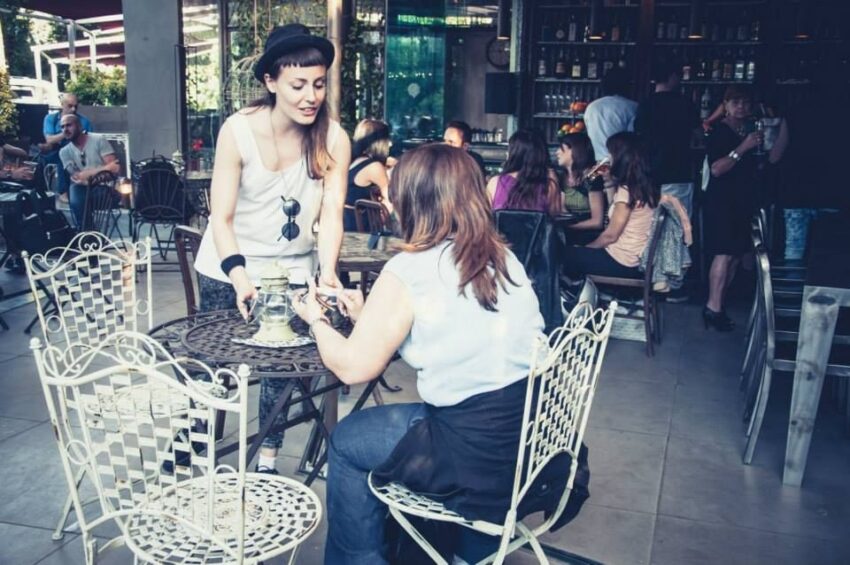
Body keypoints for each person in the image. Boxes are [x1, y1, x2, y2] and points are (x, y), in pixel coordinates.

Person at [291, 143, 547, 564]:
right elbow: (454, 334)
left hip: (471, 452)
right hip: (529, 435)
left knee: (348, 440)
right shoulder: (502, 257)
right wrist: (367, 315)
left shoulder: (410, 269)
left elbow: (353, 367)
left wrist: (316, 319)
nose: (390, 202)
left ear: (414, 201)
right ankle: (465, 547)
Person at [193, 23, 350, 473]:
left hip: (293, 271)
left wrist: (327, 272)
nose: (310, 96)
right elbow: (221, 218)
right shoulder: (238, 130)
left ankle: (266, 460)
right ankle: (194, 440)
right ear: (271, 82)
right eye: (298, 85)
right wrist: (240, 277)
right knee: (214, 363)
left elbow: (332, 214)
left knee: (282, 372)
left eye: (318, 84)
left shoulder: (334, 138)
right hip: (228, 266)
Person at [702, 85, 787, 331]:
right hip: (722, 201)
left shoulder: (750, 128)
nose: (741, 107)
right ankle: (712, 307)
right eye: (736, 102)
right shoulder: (719, 131)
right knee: (724, 253)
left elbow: (769, 158)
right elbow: (717, 169)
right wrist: (743, 148)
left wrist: (778, 129)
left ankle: (718, 304)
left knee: (736, 255)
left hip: (742, 200)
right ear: (726, 106)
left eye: (745, 102)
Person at [562, 131, 659, 279]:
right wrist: (608, 182)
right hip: (633, 257)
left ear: (622, 158)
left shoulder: (627, 191)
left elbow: (610, 236)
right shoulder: (642, 187)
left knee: (561, 254)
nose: (608, 158)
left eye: (611, 154)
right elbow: (612, 216)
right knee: (576, 246)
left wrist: (586, 249)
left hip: (623, 261)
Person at [634, 58, 700, 217]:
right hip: (679, 171)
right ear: (672, 76)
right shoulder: (685, 103)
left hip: (650, 173)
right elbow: (698, 135)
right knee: (678, 225)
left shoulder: (645, 104)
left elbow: (638, 134)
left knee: (649, 225)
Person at [57, 114, 120, 230]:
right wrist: (104, 169)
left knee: (78, 200)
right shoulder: (64, 152)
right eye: (62, 127)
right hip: (83, 191)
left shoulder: (98, 140)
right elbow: (78, 177)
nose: (65, 129)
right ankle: (89, 233)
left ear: (80, 126)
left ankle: (86, 233)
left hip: (106, 190)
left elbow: (114, 169)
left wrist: (88, 175)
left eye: (69, 125)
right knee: (76, 191)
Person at [487, 128, 561, 216]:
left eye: (509, 149)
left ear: (514, 153)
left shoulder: (495, 182)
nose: (506, 153)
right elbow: (555, 217)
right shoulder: (549, 186)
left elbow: (485, 217)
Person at [41, 93, 94, 199]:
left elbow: (90, 139)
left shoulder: (84, 121)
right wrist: (68, 132)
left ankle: (85, 190)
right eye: (70, 106)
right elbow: (50, 139)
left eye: (76, 106)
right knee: (61, 154)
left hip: (79, 150)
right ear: (62, 105)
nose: (73, 109)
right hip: (56, 151)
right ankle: (61, 193)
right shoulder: (51, 119)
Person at [344, 119, 393, 231]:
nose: (390, 144)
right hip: (360, 227)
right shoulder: (374, 167)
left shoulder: (353, 161)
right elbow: (389, 199)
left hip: (345, 221)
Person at [583, 67, 638, 163]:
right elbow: (632, 139)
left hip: (597, 162)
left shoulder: (592, 107)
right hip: (621, 163)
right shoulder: (632, 107)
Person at [556, 132, 605, 232]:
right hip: (570, 231)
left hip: (588, 234)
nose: (557, 152)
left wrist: (567, 228)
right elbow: (562, 211)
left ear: (574, 150)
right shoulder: (562, 177)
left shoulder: (592, 177)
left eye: (561, 148)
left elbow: (597, 222)